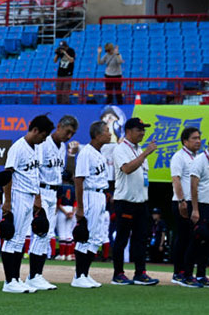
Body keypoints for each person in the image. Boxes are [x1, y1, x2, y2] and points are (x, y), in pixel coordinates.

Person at [0, 115, 54, 293]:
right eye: (43, 135)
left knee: (20, 240)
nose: (44, 139)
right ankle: (9, 281)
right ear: (35, 130)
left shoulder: (36, 148)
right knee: (12, 239)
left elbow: (34, 175)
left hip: (29, 196)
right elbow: (8, 175)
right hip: (16, 195)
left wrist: (37, 197)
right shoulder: (18, 147)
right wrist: (7, 202)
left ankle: (16, 278)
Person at [29, 115, 78, 285]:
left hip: (53, 191)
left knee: (47, 234)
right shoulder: (44, 144)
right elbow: (34, 171)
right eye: (67, 131)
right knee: (40, 233)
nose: (69, 136)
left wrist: (72, 155)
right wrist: (37, 196)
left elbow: (65, 172)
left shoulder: (63, 147)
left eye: (72, 133)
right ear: (59, 126)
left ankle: (37, 275)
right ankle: (33, 276)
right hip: (42, 190)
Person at [110, 117, 159, 286]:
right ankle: (118, 274)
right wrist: (146, 153)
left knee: (141, 239)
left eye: (144, 129)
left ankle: (140, 273)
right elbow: (127, 169)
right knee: (122, 238)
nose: (143, 133)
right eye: (139, 129)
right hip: (125, 201)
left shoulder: (138, 149)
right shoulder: (120, 149)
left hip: (140, 202)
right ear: (129, 131)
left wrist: (143, 152)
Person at [71, 121, 112, 289]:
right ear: (97, 135)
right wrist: (80, 207)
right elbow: (79, 180)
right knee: (85, 237)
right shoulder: (86, 153)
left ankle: (85, 274)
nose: (110, 134)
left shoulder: (99, 153)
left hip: (100, 195)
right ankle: (79, 276)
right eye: (107, 131)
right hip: (89, 195)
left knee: (96, 237)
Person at [170, 127, 201, 287]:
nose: (198, 141)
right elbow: (176, 179)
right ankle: (178, 272)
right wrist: (181, 200)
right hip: (183, 202)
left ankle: (189, 271)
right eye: (194, 138)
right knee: (183, 238)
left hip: (195, 202)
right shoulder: (179, 157)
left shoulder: (199, 158)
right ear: (185, 141)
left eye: (199, 138)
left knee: (193, 238)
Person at [189, 146, 209, 286]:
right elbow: (193, 186)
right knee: (196, 240)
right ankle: (188, 275)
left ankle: (201, 275)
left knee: (207, 243)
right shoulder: (200, 160)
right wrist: (195, 209)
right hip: (201, 205)